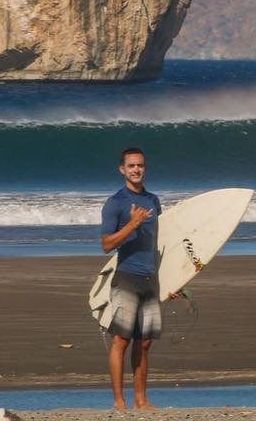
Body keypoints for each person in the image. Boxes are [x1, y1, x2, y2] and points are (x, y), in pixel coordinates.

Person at [100, 148, 164, 409]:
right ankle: (119, 401)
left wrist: (174, 280)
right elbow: (106, 244)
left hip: (151, 278)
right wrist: (131, 225)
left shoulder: (153, 200)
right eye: (131, 165)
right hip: (127, 277)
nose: (136, 169)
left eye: (140, 165)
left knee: (145, 342)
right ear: (122, 170)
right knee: (121, 340)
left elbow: (161, 241)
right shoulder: (115, 203)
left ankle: (141, 400)